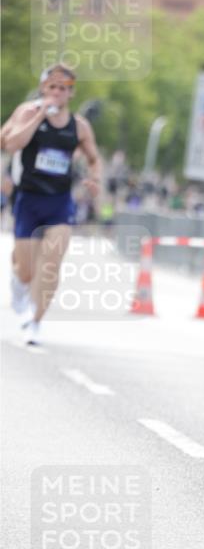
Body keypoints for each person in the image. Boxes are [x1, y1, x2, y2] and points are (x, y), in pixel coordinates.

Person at [1, 64, 102, 345]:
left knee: (51, 263)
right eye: (52, 87)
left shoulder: (79, 126)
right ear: (44, 88)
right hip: (27, 199)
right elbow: (9, 144)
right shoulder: (28, 112)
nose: (57, 93)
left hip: (58, 202)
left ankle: (35, 321)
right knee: (27, 269)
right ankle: (19, 284)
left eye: (63, 89)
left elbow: (93, 157)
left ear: (71, 93)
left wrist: (95, 178)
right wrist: (39, 116)